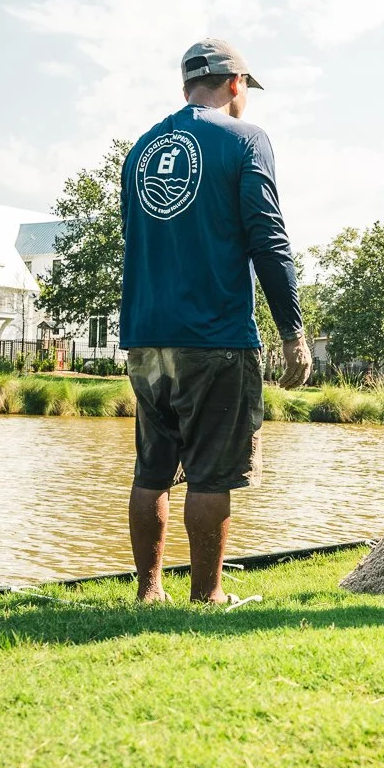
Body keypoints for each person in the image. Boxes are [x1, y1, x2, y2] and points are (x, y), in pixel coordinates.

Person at [120, 38, 312, 605]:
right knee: (210, 475)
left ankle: (149, 592)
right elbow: (268, 238)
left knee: (152, 469)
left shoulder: (141, 150)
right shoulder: (245, 139)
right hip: (216, 337)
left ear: (185, 88)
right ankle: (206, 596)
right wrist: (292, 330)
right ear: (236, 85)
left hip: (146, 337)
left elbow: (136, 240)